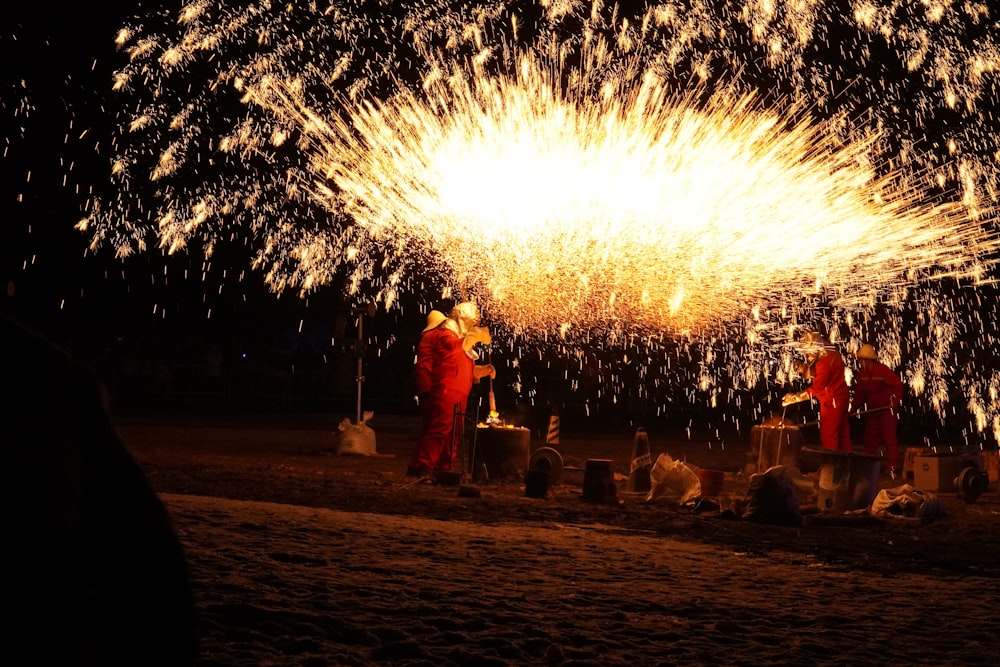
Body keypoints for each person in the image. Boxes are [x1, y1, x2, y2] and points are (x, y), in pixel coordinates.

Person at [407, 302, 496, 478]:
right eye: (471, 324)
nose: (473, 328)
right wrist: (475, 336)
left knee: (453, 434)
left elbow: (464, 367)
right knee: (440, 429)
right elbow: (452, 348)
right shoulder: (444, 335)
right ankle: (425, 466)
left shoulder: (461, 342)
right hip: (447, 390)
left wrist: (483, 370)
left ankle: (444, 468)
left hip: (460, 392)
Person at [782, 330, 852, 452]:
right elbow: (825, 375)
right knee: (842, 435)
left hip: (831, 402)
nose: (807, 356)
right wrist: (804, 369)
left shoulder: (824, 363)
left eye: (808, 352)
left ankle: (831, 467)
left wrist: (796, 397)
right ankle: (846, 467)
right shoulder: (831, 351)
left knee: (829, 436)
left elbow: (818, 386)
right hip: (841, 397)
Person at [851, 343, 904, 475]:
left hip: (886, 411)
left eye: (861, 359)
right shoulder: (862, 374)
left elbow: (897, 386)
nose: (859, 362)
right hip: (873, 411)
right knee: (870, 439)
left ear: (867, 359)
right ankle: (868, 466)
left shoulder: (882, 371)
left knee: (888, 438)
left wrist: (893, 402)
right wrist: (853, 408)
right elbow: (859, 393)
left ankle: (893, 467)